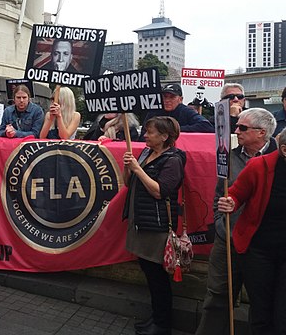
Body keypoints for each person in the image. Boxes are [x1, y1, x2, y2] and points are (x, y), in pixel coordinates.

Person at [196, 108, 277, 335]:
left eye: (242, 127)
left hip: (261, 245)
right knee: (217, 296)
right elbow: (217, 197)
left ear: (261, 133)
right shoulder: (228, 157)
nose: (236, 131)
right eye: (236, 126)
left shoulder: (278, 159)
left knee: (261, 302)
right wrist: (223, 228)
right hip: (227, 241)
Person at [217, 127, 286, 334]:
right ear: (284, 150)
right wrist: (231, 202)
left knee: (283, 314)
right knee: (261, 311)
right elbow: (236, 193)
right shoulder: (259, 166)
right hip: (259, 250)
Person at [122, 116, 186, 335]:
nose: (145, 135)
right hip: (142, 222)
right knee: (150, 274)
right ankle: (156, 318)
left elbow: (160, 191)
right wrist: (128, 168)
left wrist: (138, 169)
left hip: (156, 226)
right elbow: (128, 183)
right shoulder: (147, 152)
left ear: (165, 136)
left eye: (150, 132)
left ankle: (162, 323)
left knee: (158, 277)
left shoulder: (173, 159)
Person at [139, 83, 213, 140]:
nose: (167, 100)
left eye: (172, 97)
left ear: (180, 99)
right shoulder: (154, 111)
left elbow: (206, 126)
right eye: (165, 97)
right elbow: (143, 134)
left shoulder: (186, 111)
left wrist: (173, 130)